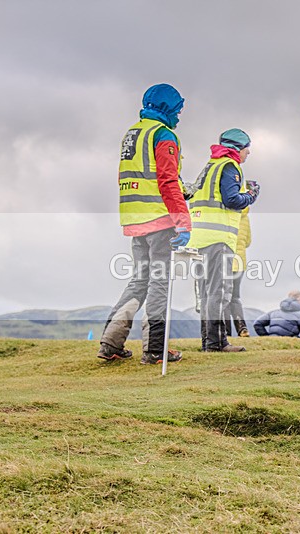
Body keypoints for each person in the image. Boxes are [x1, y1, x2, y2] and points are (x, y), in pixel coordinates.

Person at [97, 83, 190, 365]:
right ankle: (154, 349)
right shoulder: (163, 134)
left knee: (139, 281)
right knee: (160, 283)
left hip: (134, 218)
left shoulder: (133, 133)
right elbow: (166, 180)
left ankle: (110, 343)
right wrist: (182, 222)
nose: (179, 116)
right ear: (169, 107)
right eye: (178, 110)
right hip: (159, 219)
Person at [188, 129, 259, 352]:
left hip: (199, 237)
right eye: (247, 147)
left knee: (206, 291)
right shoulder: (230, 166)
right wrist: (252, 195)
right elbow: (233, 199)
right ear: (238, 148)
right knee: (218, 291)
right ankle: (217, 343)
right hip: (218, 237)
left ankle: (208, 342)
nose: (248, 153)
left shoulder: (210, 166)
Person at [225, 206, 252, 337]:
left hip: (226, 260)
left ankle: (226, 331)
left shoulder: (226, 215)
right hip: (240, 262)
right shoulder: (245, 218)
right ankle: (242, 328)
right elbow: (248, 242)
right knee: (235, 297)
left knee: (223, 297)